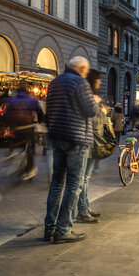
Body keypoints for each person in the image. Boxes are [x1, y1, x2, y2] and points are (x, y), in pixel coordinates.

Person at [44, 56, 100, 244]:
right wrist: (95, 101)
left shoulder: (54, 82)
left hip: (57, 137)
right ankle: (63, 229)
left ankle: (49, 228)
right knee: (74, 184)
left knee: (57, 183)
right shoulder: (80, 82)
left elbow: (48, 111)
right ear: (82, 69)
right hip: (76, 138)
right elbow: (91, 110)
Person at [76, 69, 106, 224]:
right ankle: (82, 210)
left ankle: (85, 207)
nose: (100, 82)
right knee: (84, 178)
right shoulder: (90, 97)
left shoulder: (93, 97)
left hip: (93, 141)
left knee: (85, 178)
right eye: (98, 79)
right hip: (89, 140)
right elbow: (93, 120)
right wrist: (101, 111)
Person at [5, 82, 44, 180]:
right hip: (28, 127)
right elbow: (40, 112)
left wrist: (10, 125)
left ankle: (14, 154)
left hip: (16, 128)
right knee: (30, 148)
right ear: (27, 91)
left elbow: (6, 114)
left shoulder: (12, 100)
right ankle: (30, 169)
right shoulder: (31, 100)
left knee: (17, 144)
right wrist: (39, 121)